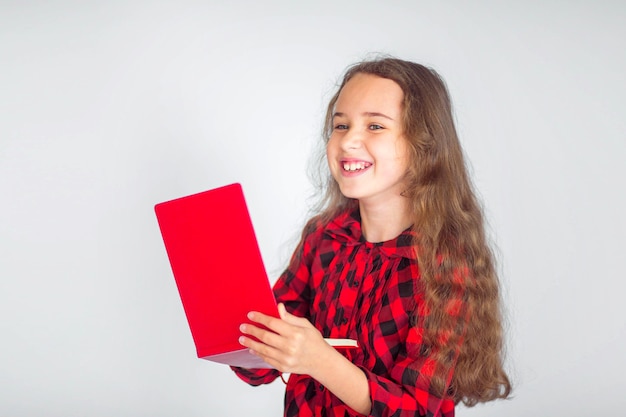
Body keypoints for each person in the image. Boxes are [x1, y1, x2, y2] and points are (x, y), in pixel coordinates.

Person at [232, 57, 512, 417]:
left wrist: (319, 360)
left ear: (422, 146)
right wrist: (241, 327)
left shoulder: (443, 264)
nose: (349, 141)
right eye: (341, 125)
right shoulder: (323, 238)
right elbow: (258, 362)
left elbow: (415, 410)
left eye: (375, 126)